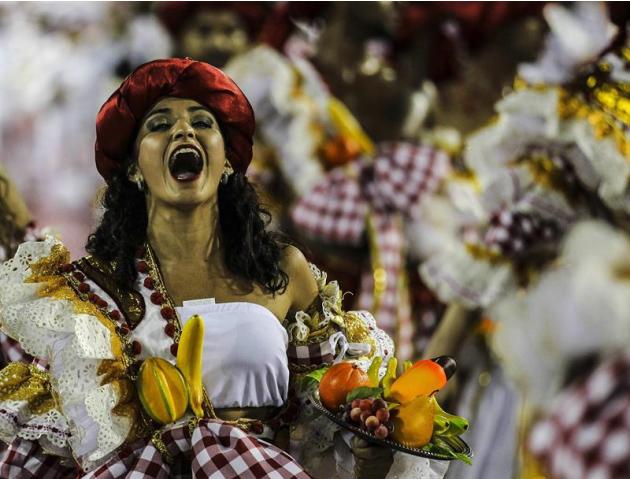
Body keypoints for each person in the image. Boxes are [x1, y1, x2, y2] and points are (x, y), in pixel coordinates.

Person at [0, 58, 446, 478]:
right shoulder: (89, 293)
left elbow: (336, 438)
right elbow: (58, 447)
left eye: (202, 122)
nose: (183, 132)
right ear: (134, 169)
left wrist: (370, 453)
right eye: (159, 125)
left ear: (228, 160)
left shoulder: (283, 269)